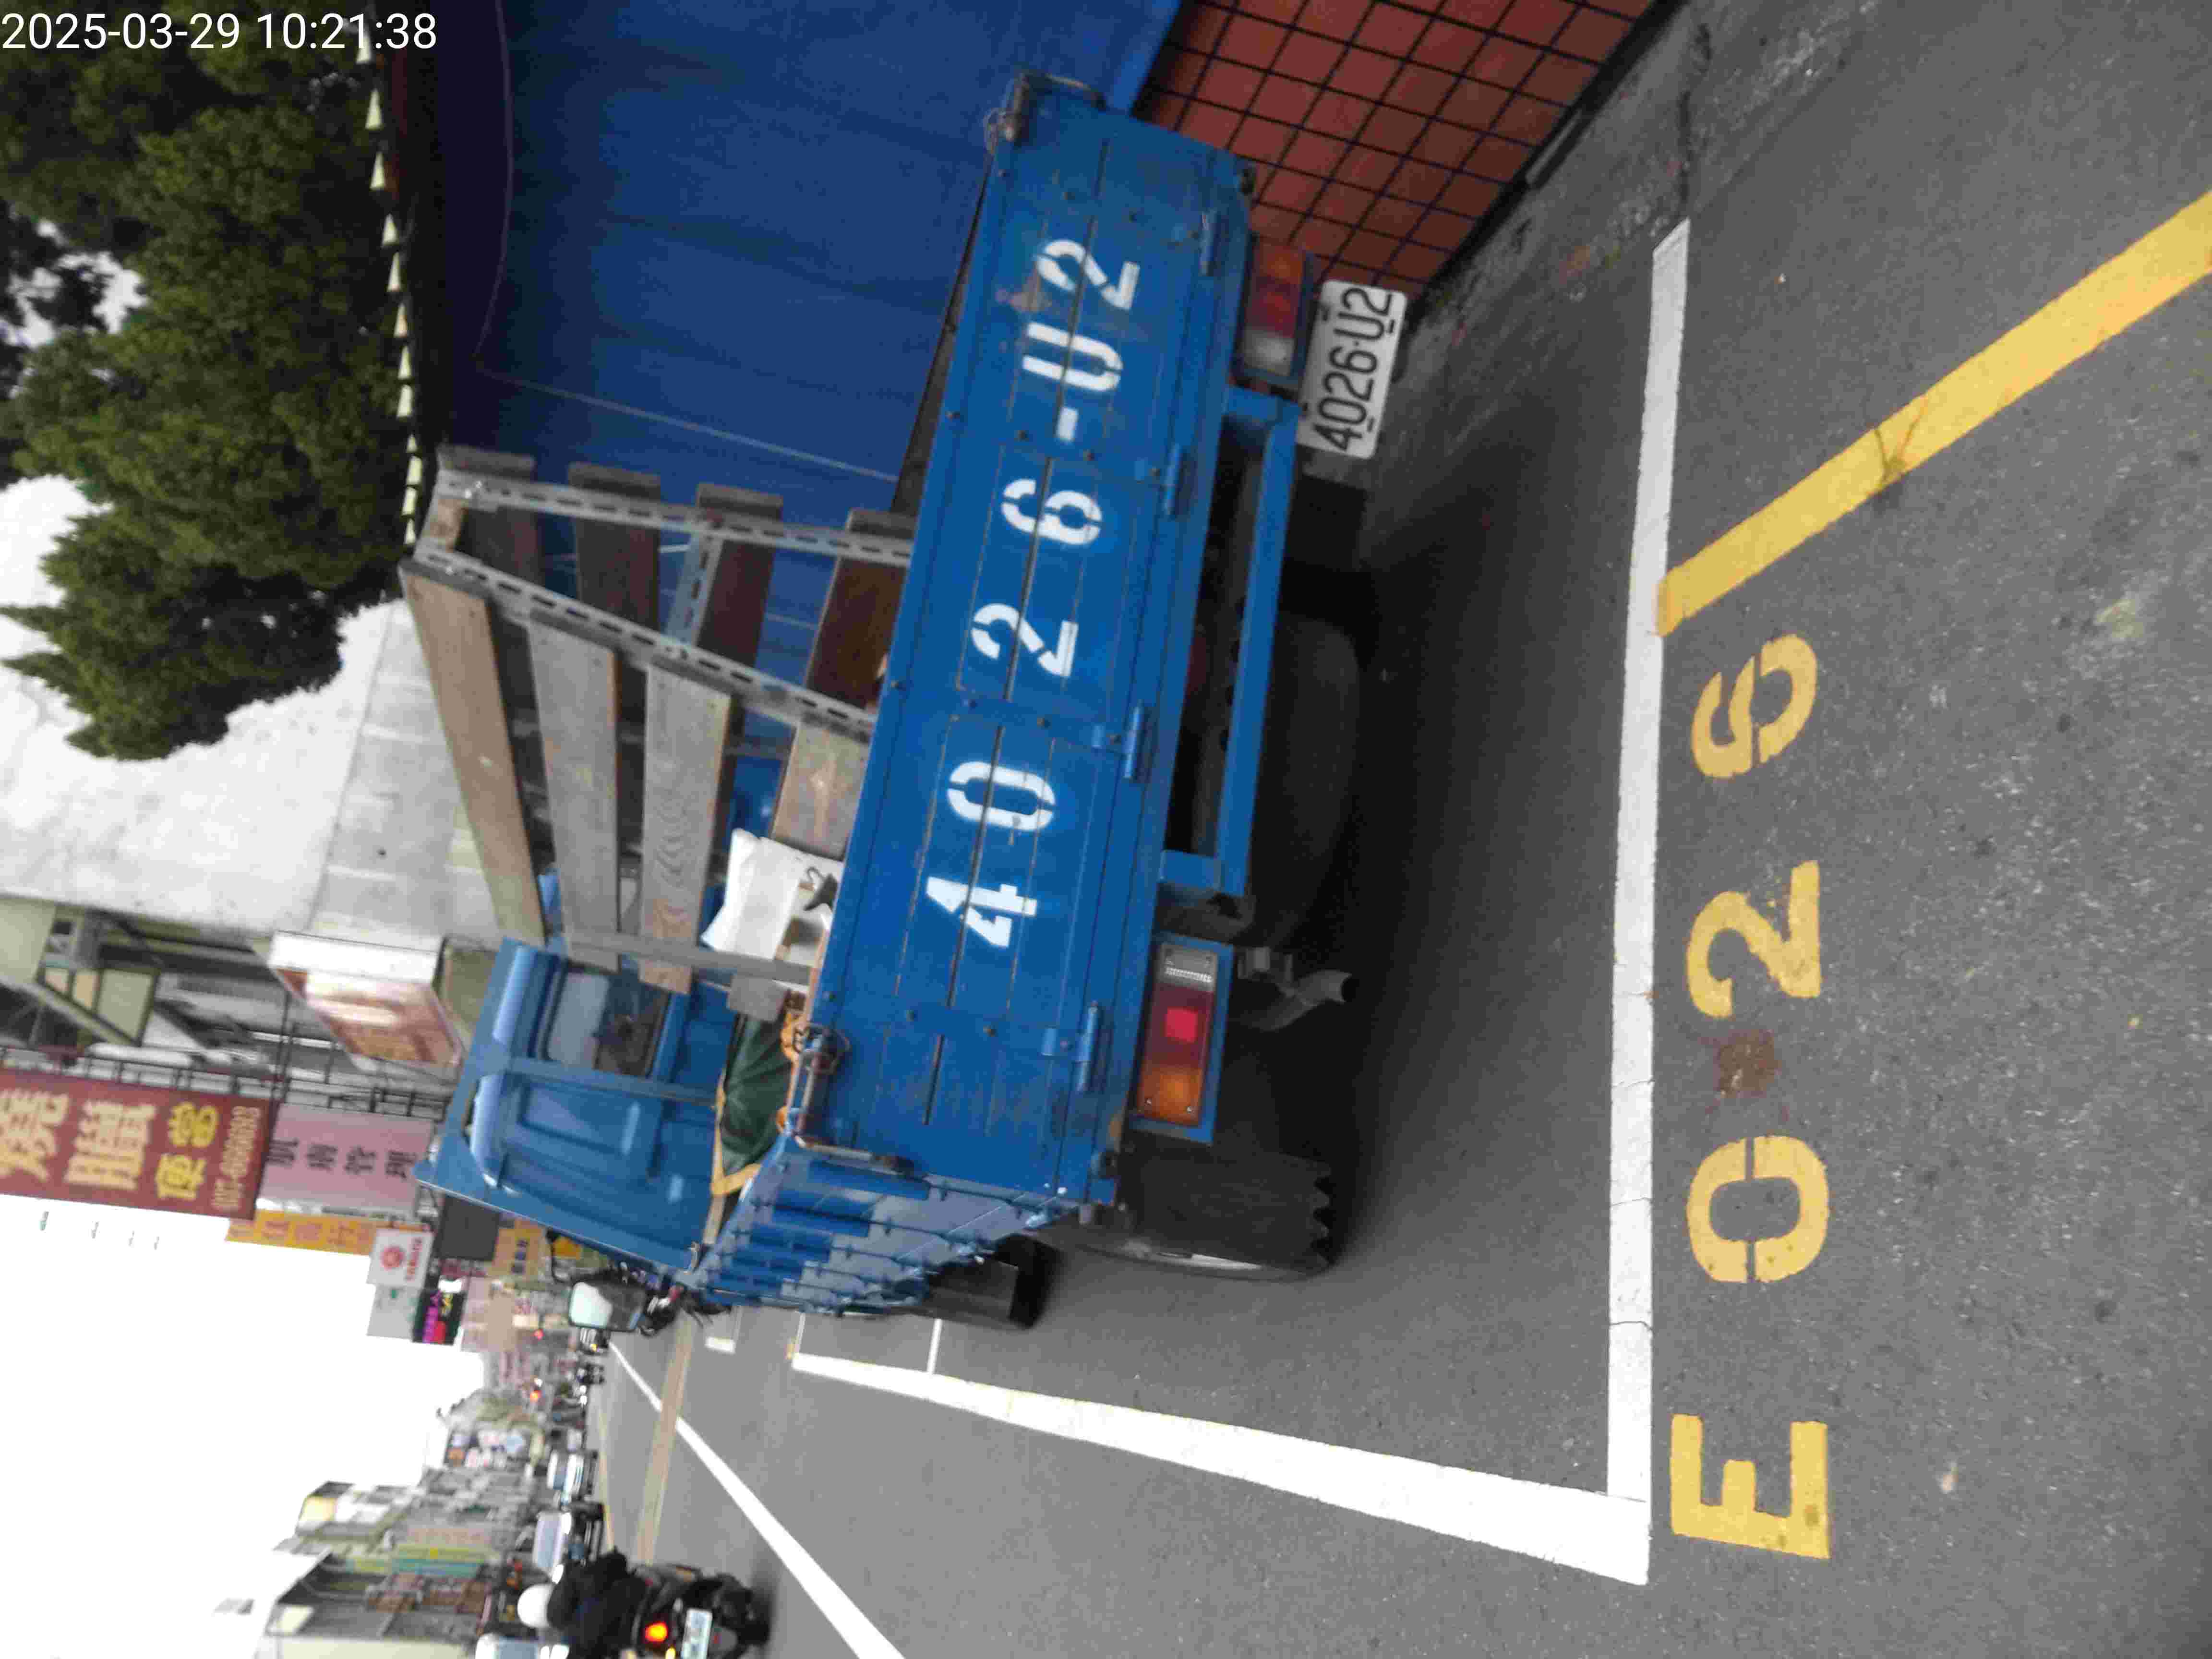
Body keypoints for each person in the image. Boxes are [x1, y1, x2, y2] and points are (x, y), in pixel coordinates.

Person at [517, 1552, 647, 1659]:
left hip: (637, 1638)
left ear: (541, 1623)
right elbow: (616, 1561)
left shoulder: (574, 1642)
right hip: (641, 1597)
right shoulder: (576, 1576)